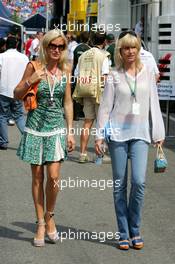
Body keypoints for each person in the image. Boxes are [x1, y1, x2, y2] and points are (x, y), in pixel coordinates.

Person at [95, 30, 165, 250]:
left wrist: (158, 134)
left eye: (133, 47)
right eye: (126, 47)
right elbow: (105, 108)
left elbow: (154, 103)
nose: (130, 51)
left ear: (138, 49)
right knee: (119, 185)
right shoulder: (114, 75)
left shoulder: (148, 73)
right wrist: (99, 135)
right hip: (117, 134)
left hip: (141, 135)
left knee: (139, 182)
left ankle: (135, 229)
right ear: (120, 51)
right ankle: (124, 233)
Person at [14, 29, 75, 247]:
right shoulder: (34, 66)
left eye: (61, 46)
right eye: (53, 46)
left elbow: (67, 102)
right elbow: (17, 94)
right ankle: (40, 222)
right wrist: (30, 80)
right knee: (38, 177)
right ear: (45, 46)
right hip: (35, 127)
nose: (57, 50)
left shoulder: (66, 69)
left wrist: (70, 130)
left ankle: (50, 215)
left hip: (56, 128)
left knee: (54, 176)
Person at [74, 31, 110, 163]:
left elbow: (77, 74)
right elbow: (105, 76)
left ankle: (82, 154)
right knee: (101, 124)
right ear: (104, 42)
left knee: (87, 123)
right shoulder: (104, 56)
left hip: (86, 91)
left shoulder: (83, 55)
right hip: (100, 93)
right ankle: (99, 156)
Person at [0, 36, 29, 150]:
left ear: (6, 45)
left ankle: (3, 142)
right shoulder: (24, 57)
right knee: (19, 116)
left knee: (2, 116)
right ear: (16, 45)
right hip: (19, 90)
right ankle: (27, 138)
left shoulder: (1, 56)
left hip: (4, 89)